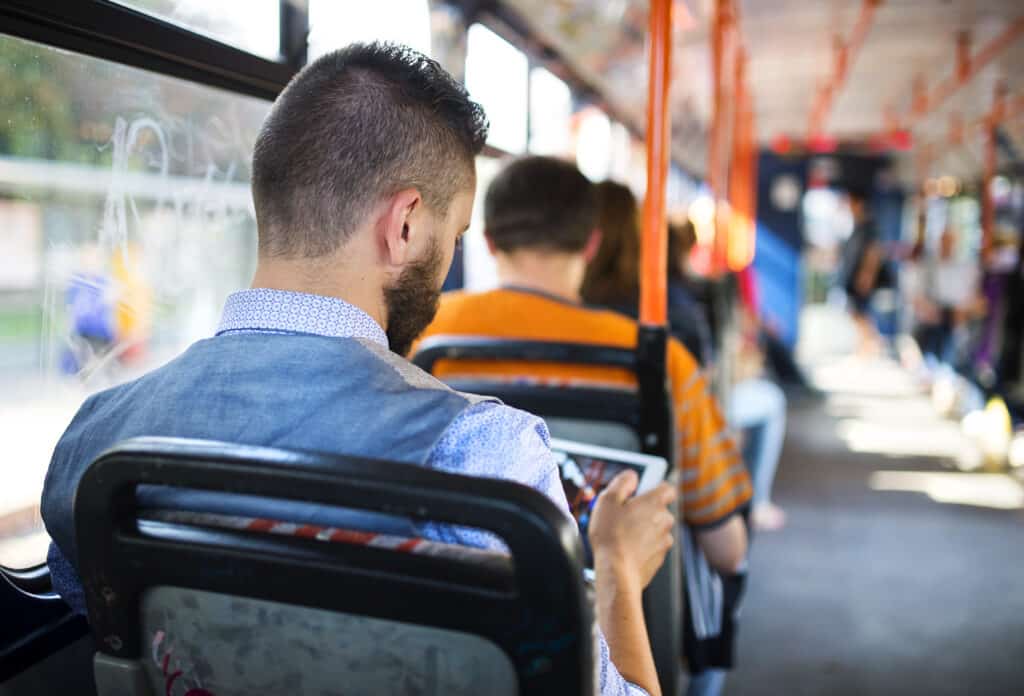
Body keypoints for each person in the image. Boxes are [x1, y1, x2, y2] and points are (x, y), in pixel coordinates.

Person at [40, 43, 674, 696]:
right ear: (405, 225)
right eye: (454, 236)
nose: (449, 262)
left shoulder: (97, 443)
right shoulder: (483, 454)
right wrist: (617, 570)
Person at [415, 156, 751, 578]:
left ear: (489, 241)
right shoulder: (659, 361)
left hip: (453, 586)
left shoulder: (422, 335)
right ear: (592, 244)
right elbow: (726, 549)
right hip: (616, 605)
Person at [837, 187, 885, 356]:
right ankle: (865, 346)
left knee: (862, 314)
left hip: (861, 280)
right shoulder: (856, 225)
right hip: (851, 278)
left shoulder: (869, 226)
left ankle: (872, 345)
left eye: (851, 202)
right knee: (855, 313)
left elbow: (874, 252)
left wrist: (867, 275)